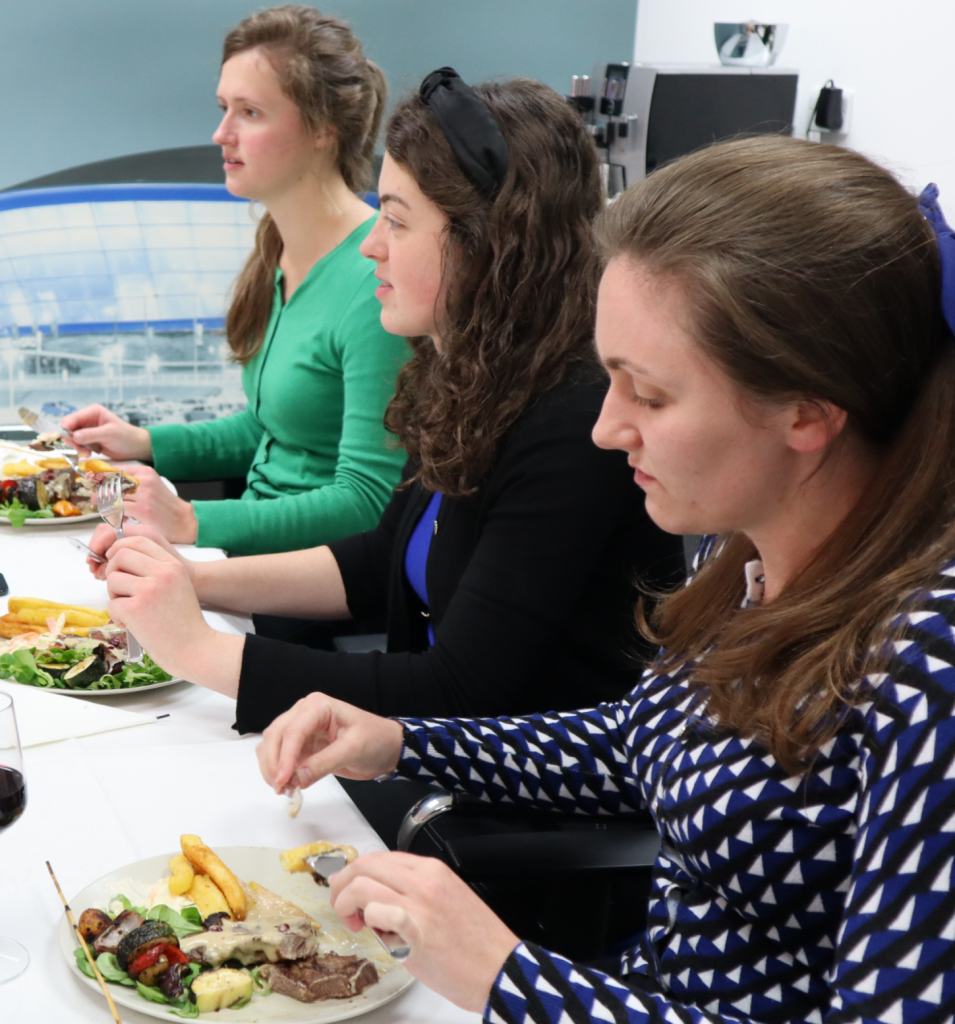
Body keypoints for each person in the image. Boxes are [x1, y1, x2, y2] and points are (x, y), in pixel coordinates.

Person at [251, 136, 955, 1024]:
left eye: (648, 396)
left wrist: (512, 979)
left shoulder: (929, 668)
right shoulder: (745, 553)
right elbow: (643, 744)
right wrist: (401, 740)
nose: (605, 428)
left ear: (806, 413)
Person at [88, 70, 685, 729]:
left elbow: (456, 691)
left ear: (489, 244)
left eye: (396, 222)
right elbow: (377, 563)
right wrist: (184, 583)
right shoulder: (471, 374)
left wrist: (197, 648)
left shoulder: (573, 423)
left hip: (509, 808)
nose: (371, 243)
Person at [63, 5, 409, 556]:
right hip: (242, 555)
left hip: (304, 588)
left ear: (325, 129)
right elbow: (272, 431)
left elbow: (366, 501)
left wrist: (190, 520)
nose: (221, 133)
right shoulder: (279, 251)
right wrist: (143, 441)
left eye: (249, 112)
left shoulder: (374, 283)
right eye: (225, 108)